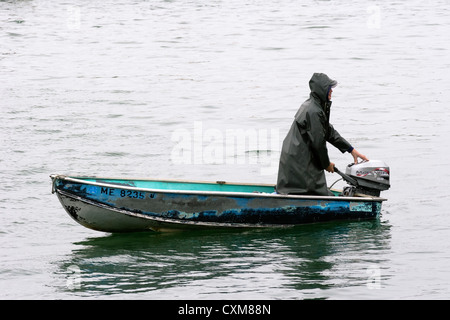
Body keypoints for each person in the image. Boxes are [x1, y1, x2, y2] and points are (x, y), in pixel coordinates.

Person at [276, 73, 368, 196]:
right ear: (322, 90)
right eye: (329, 89)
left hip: (296, 159)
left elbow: (329, 132)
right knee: (320, 194)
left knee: (312, 191)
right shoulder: (314, 111)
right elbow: (318, 144)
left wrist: (351, 149)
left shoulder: (314, 106)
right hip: (299, 162)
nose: (331, 92)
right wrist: (326, 164)